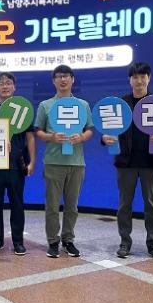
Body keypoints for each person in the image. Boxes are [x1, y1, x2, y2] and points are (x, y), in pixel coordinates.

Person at [102, 62, 153, 261]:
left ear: (149, 78)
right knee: (124, 204)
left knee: (151, 205)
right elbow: (109, 129)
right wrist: (105, 138)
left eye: (143, 76)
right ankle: (125, 242)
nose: (139, 81)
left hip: (152, 162)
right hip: (126, 163)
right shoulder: (121, 104)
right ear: (130, 80)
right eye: (135, 77)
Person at [34, 65, 94, 259]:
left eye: (66, 76)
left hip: (76, 163)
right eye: (59, 77)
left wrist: (82, 137)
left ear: (72, 79)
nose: (63, 80)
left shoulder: (83, 105)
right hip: (53, 162)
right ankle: (53, 241)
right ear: (53, 81)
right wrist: (51, 137)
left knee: (72, 206)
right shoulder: (45, 105)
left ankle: (68, 240)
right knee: (52, 206)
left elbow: (90, 129)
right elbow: (38, 131)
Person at [0, 72, 35, 256]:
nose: (5, 86)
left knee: (17, 204)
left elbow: (30, 137)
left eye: (8, 83)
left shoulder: (23, 108)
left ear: (14, 87)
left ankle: (18, 242)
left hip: (16, 166)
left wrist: (32, 162)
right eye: (1, 83)